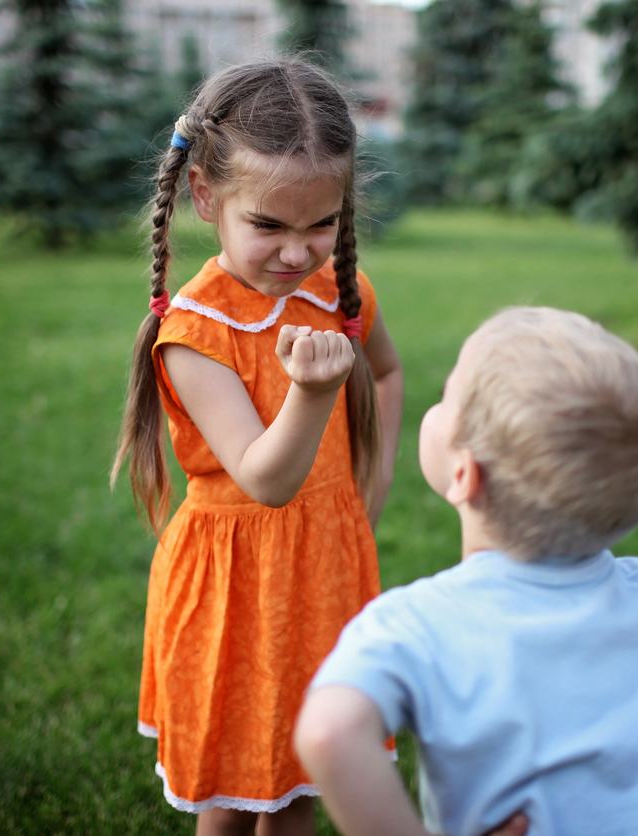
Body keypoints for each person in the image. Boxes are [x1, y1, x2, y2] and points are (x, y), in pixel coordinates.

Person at [295, 307, 638, 836]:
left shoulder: (416, 625)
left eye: (448, 395)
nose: (435, 405)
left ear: (465, 474)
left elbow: (329, 732)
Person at [110, 59, 405, 836]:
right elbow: (265, 479)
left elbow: (389, 370)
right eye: (269, 225)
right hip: (236, 583)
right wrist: (311, 396)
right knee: (235, 799)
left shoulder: (341, 290)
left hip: (326, 569)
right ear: (207, 196)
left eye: (322, 224)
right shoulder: (195, 334)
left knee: (303, 780)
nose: (298, 253)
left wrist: (369, 488)